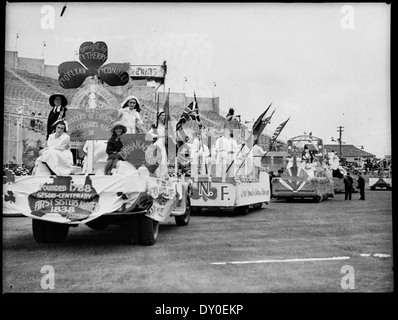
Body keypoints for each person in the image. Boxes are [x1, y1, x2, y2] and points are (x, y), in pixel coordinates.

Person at [147, 110, 169, 179]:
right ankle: (156, 173)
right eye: (162, 115)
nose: (164, 117)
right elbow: (148, 135)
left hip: (163, 143)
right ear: (159, 116)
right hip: (158, 142)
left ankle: (162, 174)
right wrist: (157, 136)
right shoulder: (155, 125)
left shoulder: (165, 125)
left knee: (163, 158)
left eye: (164, 116)